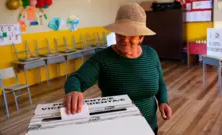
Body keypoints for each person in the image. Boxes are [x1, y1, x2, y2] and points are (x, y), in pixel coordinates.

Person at [63, 2, 172, 135]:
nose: (125, 40)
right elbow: (76, 78)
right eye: (120, 34)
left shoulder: (151, 54)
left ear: (141, 38)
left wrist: (163, 101)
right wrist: (73, 90)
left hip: (149, 127)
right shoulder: (102, 59)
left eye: (132, 36)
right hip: (116, 129)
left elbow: (160, 83)